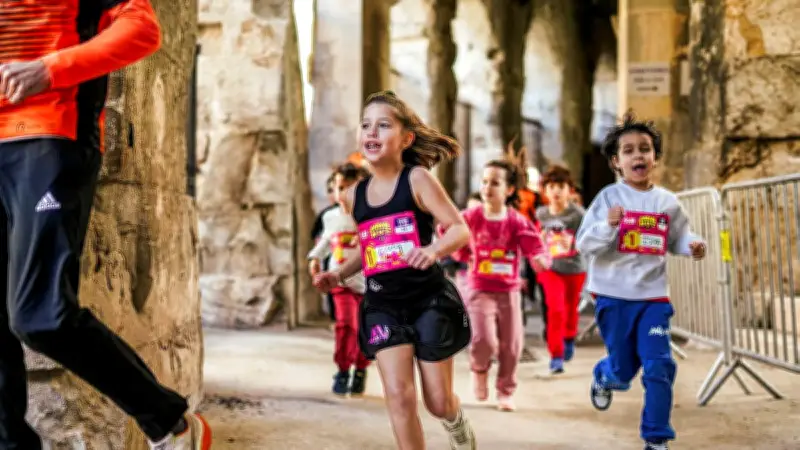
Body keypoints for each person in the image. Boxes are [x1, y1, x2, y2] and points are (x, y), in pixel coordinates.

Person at [0, 1, 211, 449]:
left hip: (47, 134)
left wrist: (50, 68)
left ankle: (170, 419)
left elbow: (141, 29)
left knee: (41, 317)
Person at [313, 90, 477, 450]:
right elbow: (369, 249)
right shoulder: (355, 194)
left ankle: (456, 421)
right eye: (366, 125)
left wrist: (434, 250)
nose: (372, 132)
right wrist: (338, 273)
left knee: (437, 402)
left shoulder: (417, 179)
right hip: (383, 304)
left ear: (406, 138)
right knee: (399, 398)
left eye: (383, 125)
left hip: (428, 300)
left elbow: (460, 228)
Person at [576, 112, 707, 450]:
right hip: (613, 296)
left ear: (655, 157)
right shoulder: (608, 199)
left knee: (659, 365)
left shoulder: (667, 202)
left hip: (653, 298)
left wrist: (691, 245)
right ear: (616, 162)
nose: (638, 156)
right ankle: (606, 375)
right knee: (623, 369)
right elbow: (584, 245)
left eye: (645, 149)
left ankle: (656, 438)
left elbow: (677, 237)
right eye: (630, 150)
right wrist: (608, 225)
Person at [452, 160, 549, 412]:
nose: (487, 187)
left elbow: (534, 244)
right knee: (483, 339)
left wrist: (540, 259)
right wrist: (461, 254)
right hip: (479, 288)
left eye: (495, 182)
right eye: (484, 181)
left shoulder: (517, 221)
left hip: (508, 290)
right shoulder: (470, 217)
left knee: (512, 344)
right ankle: (479, 369)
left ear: (508, 190)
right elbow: (449, 231)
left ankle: (505, 390)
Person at [308, 163, 372, 396]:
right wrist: (314, 258)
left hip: (367, 286)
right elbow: (325, 241)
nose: (343, 194)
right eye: (340, 188)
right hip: (341, 284)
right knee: (346, 325)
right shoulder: (331, 217)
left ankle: (361, 369)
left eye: (350, 189)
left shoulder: (370, 217)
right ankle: (343, 369)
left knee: (365, 329)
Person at [535, 165, 586, 374]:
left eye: (561, 186)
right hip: (550, 268)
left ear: (570, 190)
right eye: (551, 187)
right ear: (545, 191)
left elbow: (588, 237)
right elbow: (535, 238)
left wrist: (574, 244)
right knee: (555, 309)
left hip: (574, 268)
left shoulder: (578, 214)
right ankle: (556, 356)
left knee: (570, 307)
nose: (556, 191)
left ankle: (569, 336)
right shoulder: (541, 214)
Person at [312, 173, 340, 321]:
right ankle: (334, 318)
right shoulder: (327, 214)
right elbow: (317, 236)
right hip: (333, 258)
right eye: (331, 190)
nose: (334, 194)